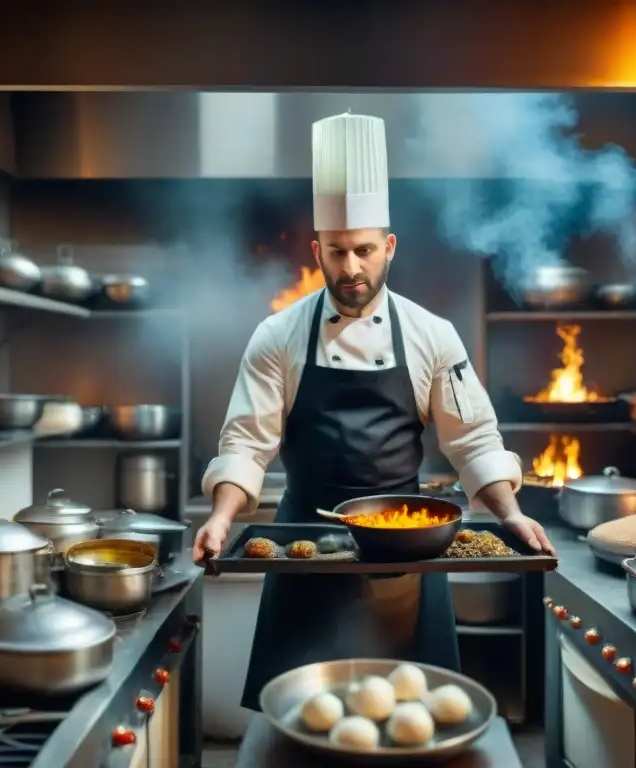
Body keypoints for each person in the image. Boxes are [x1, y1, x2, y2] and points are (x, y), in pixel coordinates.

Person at [192, 112, 555, 711]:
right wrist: (223, 518)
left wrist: (510, 514)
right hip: (303, 545)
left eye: (364, 250)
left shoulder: (432, 334)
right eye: (337, 252)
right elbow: (246, 443)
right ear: (318, 250)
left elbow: (472, 440)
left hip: (406, 549)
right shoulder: (278, 335)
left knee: (412, 712)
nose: (351, 268)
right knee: (301, 715)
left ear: (388, 247)